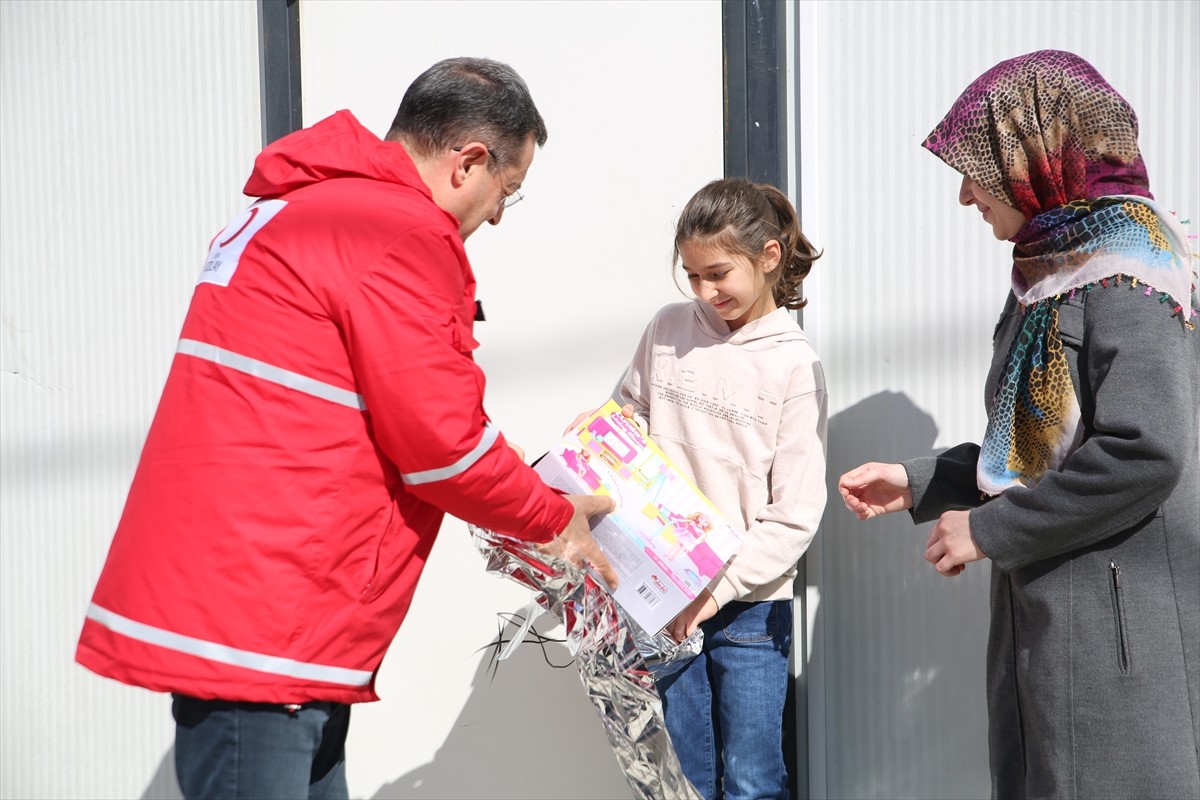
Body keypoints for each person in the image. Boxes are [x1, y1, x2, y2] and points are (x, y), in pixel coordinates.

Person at [74, 57, 617, 800]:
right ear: (470, 161)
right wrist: (552, 517)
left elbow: (377, 408)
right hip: (272, 616)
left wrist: (485, 454)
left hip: (267, 602)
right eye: (507, 193)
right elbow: (441, 446)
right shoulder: (398, 233)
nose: (495, 216)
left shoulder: (307, 209)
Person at [838, 50, 1199, 799]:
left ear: (1038, 156)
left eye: (979, 167)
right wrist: (917, 482)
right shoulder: (1053, 271)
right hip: (1058, 614)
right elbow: (1032, 448)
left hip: (1114, 637)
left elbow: (1145, 451)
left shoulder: (1128, 275)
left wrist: (989, 530)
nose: (967, 195)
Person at [610, 177, 828, 800]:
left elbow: (794, 515)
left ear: (768, 257)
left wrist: (718, 588)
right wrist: (594, 439)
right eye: (691, 274)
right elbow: (628, 419)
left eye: (719, 273)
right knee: (677, 776)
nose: (705, 292)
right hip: (662, 589)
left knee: (752, 779)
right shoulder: (668, 328)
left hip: (750, 609)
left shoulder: (793, 364)